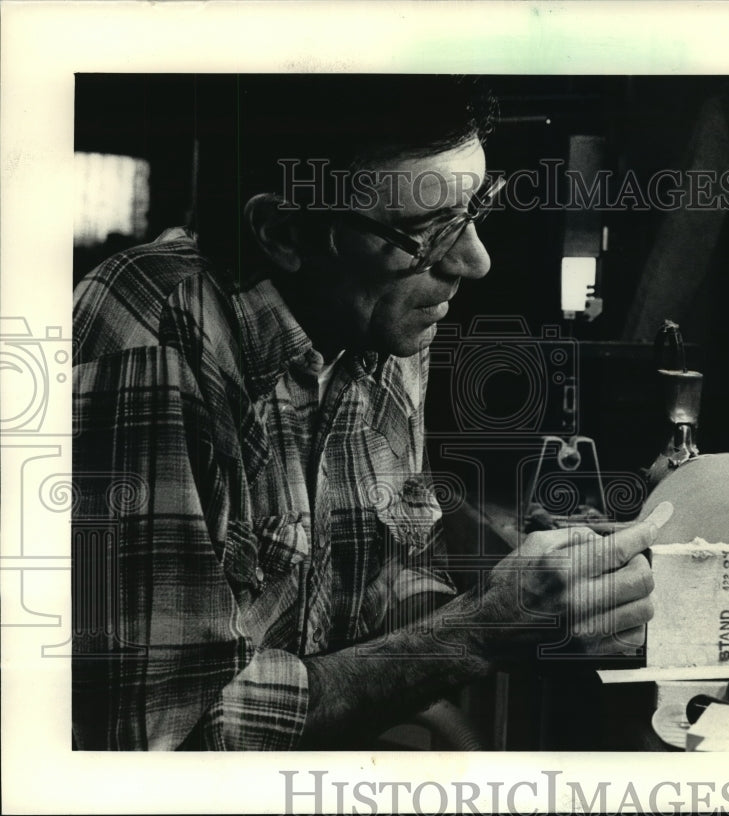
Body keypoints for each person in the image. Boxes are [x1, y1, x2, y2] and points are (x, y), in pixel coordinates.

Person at [72, 75, 656, 750]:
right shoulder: (146, 341)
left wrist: (546, 594)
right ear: (285, 232)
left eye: (475, 211)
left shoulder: (384, 325)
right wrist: (484, 629)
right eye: (425, 232)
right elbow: (147, 736)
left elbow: (392, 577)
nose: (475, 261)